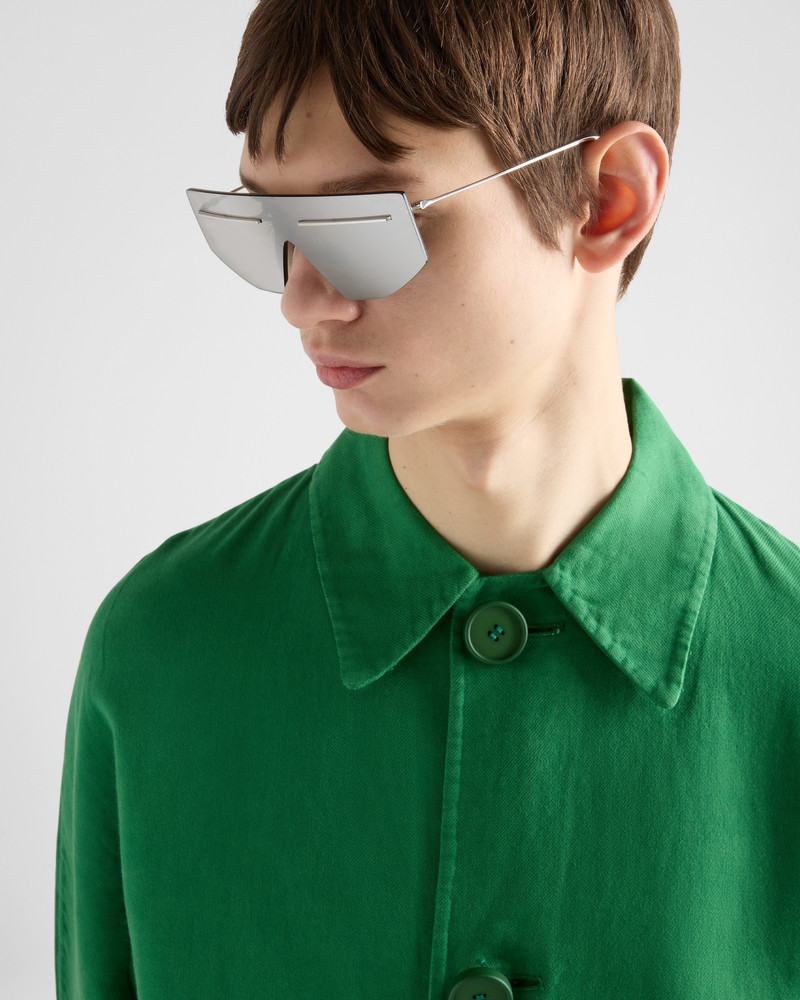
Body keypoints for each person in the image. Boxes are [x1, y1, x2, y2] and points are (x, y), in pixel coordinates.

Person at [55, 1, 800, 998]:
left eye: (367, 224)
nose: (301, 300)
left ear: (608, 199)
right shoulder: (161, 652)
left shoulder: (783, 670)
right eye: (267, 227)